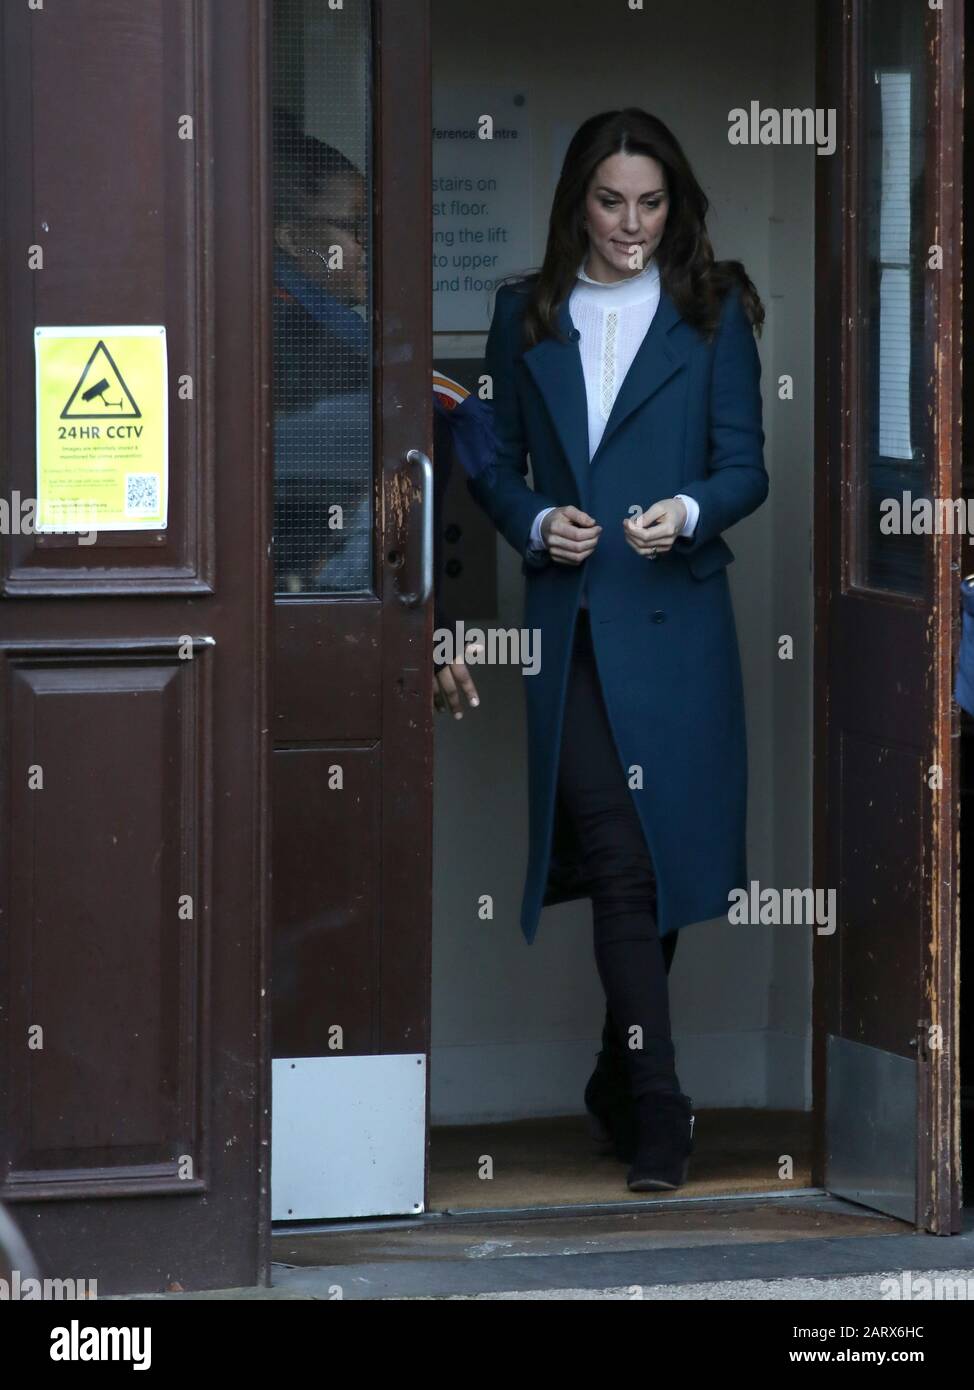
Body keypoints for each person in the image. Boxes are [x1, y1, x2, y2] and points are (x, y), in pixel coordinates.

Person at [466, 107, 769, 1191]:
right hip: (571, 629)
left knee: (660, 862)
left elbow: (745, 467)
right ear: (573, 203)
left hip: (675, 624)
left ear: (672, 204)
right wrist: (535, 523)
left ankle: (611, 1069)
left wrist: (687, 509)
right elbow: (488, 461)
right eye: (608, 201)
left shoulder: (712, 311)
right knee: (621, 864)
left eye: (649, 203)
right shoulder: (523, 315)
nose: (629, 226)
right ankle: (658, 1107)